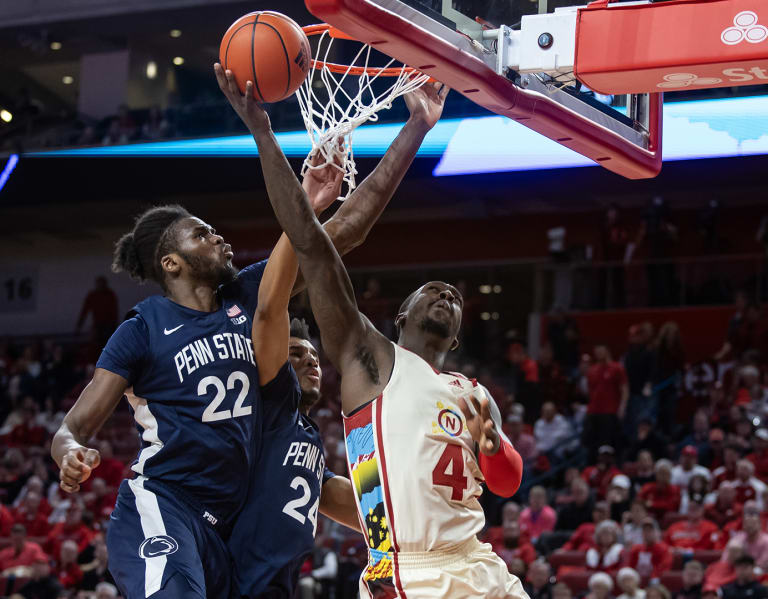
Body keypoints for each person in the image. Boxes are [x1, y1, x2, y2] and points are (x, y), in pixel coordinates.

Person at [52, 77, 433, 598]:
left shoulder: (249, 295)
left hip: (221, 524)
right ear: (172, 262)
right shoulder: (142, 329)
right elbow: (73, 427)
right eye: (202, 234)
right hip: (164, 500)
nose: (218, 237)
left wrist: (415, 128)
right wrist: (69, 452)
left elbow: (346, 231)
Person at [226, 64, 526, 598]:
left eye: (453, 297)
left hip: (479, 562)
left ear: (455, 339)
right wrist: (264, 135)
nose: (446, 293)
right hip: (413, 570)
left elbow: (506, 484)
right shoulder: (371, 357)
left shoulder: (475, 395)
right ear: (401, 317)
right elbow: (312, 244)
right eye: (431, 290)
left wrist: (492, 445)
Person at [584, 346, 628, 461]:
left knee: (609, 444)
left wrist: (622, 407)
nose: (598, 354)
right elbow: (590, 391)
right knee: (591, 444)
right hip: (593, 412)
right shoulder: (592, 370)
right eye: (596, 352)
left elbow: (624, 388)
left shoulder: (617, 368)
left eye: (601, 351)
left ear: (607, 351)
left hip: (610, 412)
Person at [75, 276, 119, 350]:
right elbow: (84, 311)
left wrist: (114, 325)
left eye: (102, 284)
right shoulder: (92, 295)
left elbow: (114, 310)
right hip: (98, 325)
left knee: (107, 345)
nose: (100, 286)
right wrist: (79, 325)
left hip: (109, 325)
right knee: (97, 345)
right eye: (99, 284)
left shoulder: (110, 295)